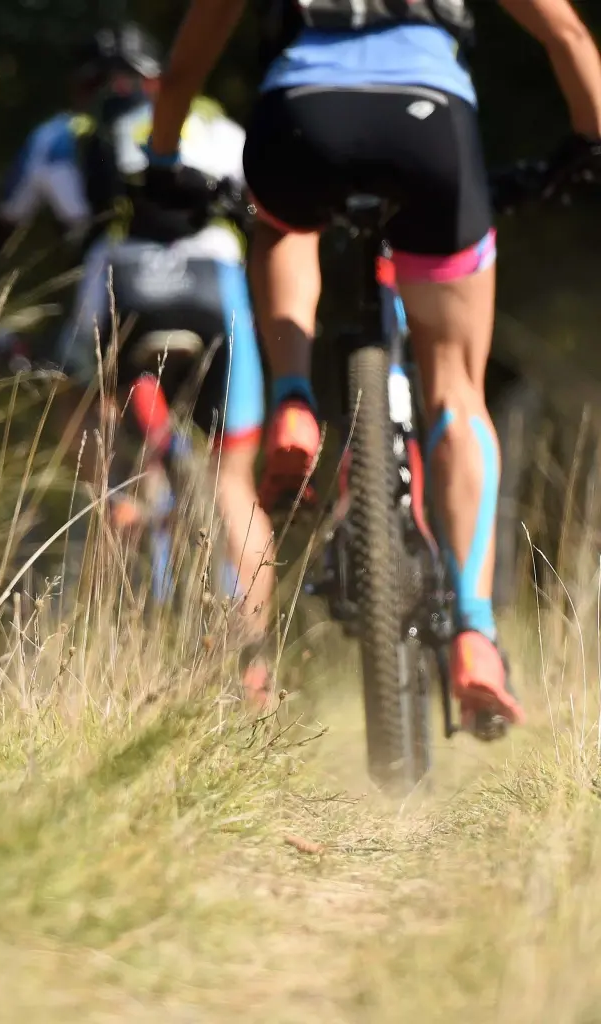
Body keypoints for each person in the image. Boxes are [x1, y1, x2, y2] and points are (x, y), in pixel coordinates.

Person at [145, 0, 601, 730]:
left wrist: (164, 163)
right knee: (457, 388)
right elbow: (568, 32)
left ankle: (294, 392)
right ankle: (477, 632)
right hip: (430, 122)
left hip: (301, 118)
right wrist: (586, 142)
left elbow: (180, 75)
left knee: (284, 225)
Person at [0, 23, 274, 699]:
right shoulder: (214, 124)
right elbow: (269, 210)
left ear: (86, 87)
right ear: (159, 77)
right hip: (217, 290)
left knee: (93, 453)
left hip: (115, 289)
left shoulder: (60, 133)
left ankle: (124, 578)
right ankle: (255, 668)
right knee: (233, 482)